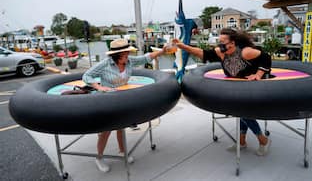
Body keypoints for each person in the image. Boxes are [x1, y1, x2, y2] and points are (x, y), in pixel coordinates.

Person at [173, 28, 272, 156]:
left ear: (232, 43)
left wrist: (258, 74)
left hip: (251, 87)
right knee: (241, 112)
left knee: (242, 112)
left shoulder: (245, 52)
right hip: (237, 87)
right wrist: (183, 46)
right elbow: (203, 53)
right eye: (219, 42)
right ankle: (242, 141)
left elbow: (266, 57)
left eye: (223, 42)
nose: (220, 45)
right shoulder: (221, 52)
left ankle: (263, 140)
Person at [82, 38, 167, 172]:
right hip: (107, 100)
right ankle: (98, 158)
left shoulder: (129, 61)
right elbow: (87, 76)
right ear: (116, 56)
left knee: (121, 127)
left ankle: (122, 152)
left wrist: (162, 51)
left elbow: (145, 58)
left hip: (122, 99)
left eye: (127, 54)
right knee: (105, 131)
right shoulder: (105, 64)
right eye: (124, 55)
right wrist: (98, 87)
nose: (127, 57)